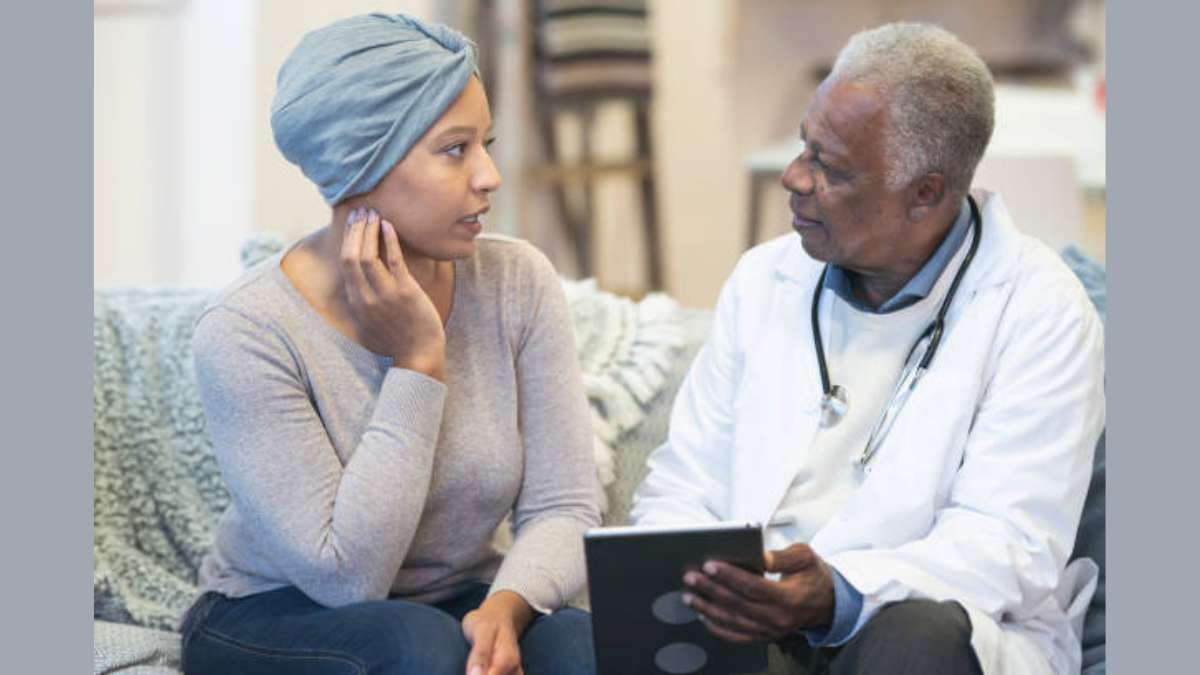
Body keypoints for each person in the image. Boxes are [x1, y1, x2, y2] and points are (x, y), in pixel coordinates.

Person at [631, 22, 1104, 675]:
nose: (794, 177)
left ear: (925, 194)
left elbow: (1009, 547)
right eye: (804, 147)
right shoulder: (764, 278)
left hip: (925, 631)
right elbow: (685, 481)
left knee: (912, 636)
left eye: (830, 167)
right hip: (748, 631)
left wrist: (838, 594)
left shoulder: (1039, 309)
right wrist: (685, 575)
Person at [179, 13, 600, 675]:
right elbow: (345, 577)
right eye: (455, 149)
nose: (489, 175)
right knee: (418, 648)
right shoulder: (246, 328)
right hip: (274, 611)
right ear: (359, 162)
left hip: (455, 601)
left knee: (580, 644)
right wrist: (417, 361)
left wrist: (506, 607)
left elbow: (565, 505)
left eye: (485, 144)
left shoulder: (517, 281)